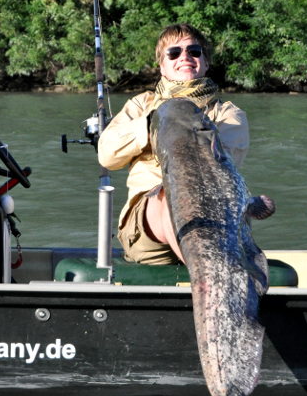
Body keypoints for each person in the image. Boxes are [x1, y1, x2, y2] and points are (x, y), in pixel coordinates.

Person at [97, 23, 249, 265]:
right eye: (174, 53)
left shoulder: (229, 114)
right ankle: (207, 274)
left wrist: (183, 120)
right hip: (148, 227)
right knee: (168, 196)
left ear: (206, 62)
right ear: (162, 67)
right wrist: (151, 124)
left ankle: (214, 270)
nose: (185, 57)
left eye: (194, 51)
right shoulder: (140, 106)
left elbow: (223, 165)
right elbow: (106, 155)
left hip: (213, 215)